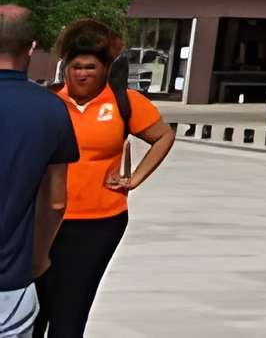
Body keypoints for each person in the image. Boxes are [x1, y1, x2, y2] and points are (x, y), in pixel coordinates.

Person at [36, 19, 168, 338]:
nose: (82, 74)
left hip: (99, 222)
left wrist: (135, 178)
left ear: (106, 69)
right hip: (43, 220)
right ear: (65, 68)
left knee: (71, 312)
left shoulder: (124, 102)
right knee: (34, 311)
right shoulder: (47, 101)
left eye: (90, 67)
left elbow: (163, 136)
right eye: (76, 67)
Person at [0, 7, 79, 338]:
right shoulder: (51, 109)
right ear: (32, 47)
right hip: (10, 282)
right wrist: (38, 259)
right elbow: (56, 202)